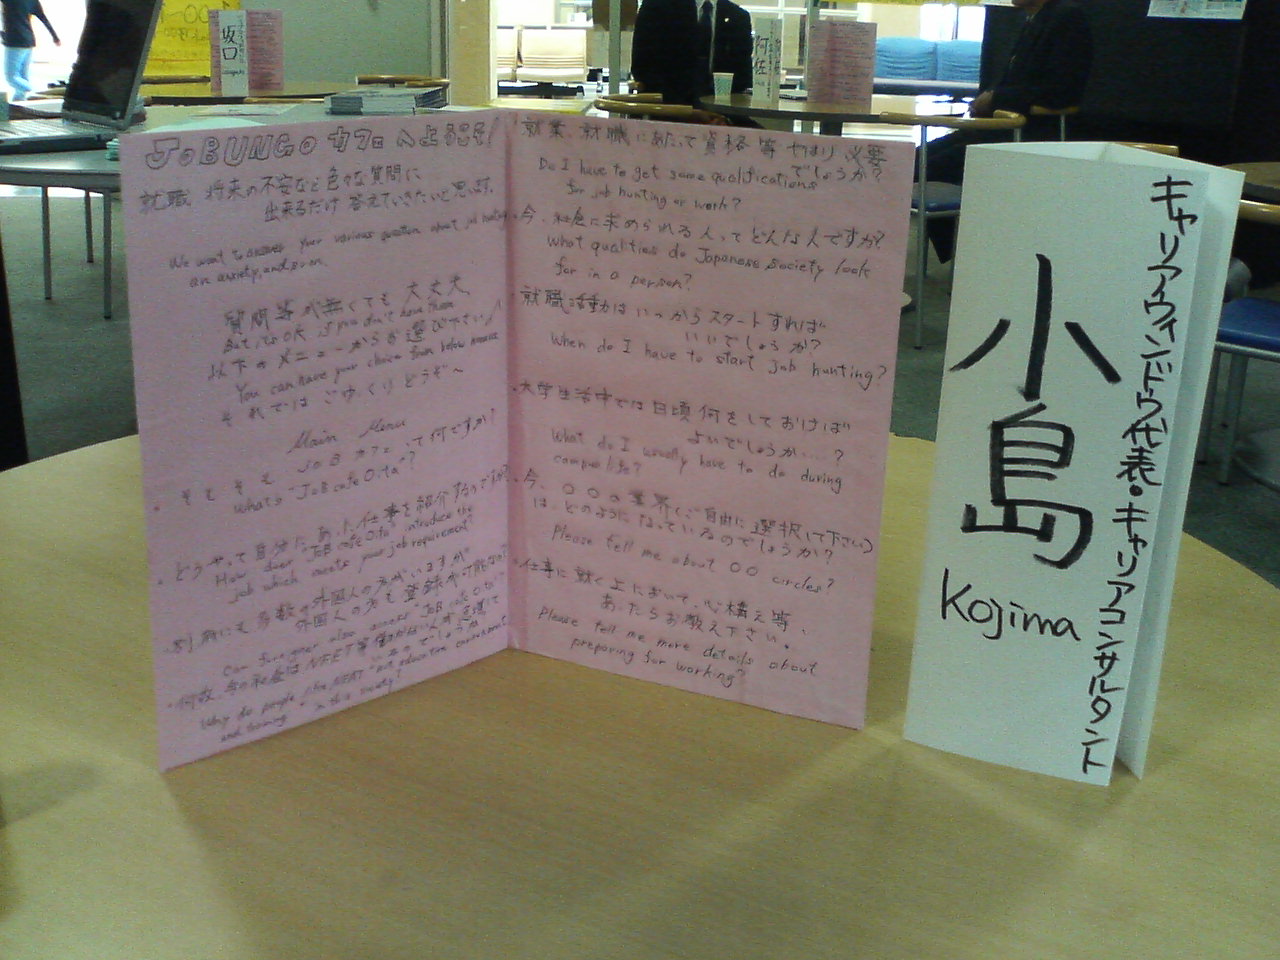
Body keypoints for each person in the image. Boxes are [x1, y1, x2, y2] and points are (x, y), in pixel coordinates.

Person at [923, 0, 1093, 262]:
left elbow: (1061, 91)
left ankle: (958, 256)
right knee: (914, 160)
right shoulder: (1031, 21)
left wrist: (996, 98)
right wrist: (989, 100)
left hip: (1028, 134)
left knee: (931, 167)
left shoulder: (1067, 19)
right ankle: (954, 254)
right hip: (997, 128)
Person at [631, 0, 753, 124]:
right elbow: (643, 69)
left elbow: (742, 78)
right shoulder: (656, 7)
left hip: (720, 117)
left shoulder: (738, 17)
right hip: (667, 112)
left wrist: (721, 116)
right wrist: (685, 112)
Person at [2, 0, 60, 102]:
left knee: (11, 78)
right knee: (23, 78)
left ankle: (37, 91)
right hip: (29, 40)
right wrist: (55, 37)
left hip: (15, 41)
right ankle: (18, 104)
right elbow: (43, 18)